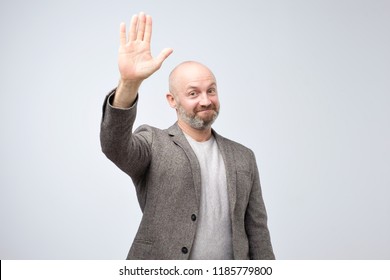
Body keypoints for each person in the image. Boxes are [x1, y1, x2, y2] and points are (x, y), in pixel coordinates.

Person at [100, 12, 275, 260]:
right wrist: (129, 84)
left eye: (211, 91)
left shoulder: (244, 157)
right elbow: (113, 146)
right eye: (193, 93)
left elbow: (257, 231)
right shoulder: (152, 142)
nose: (206, 101)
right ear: (172, 100)